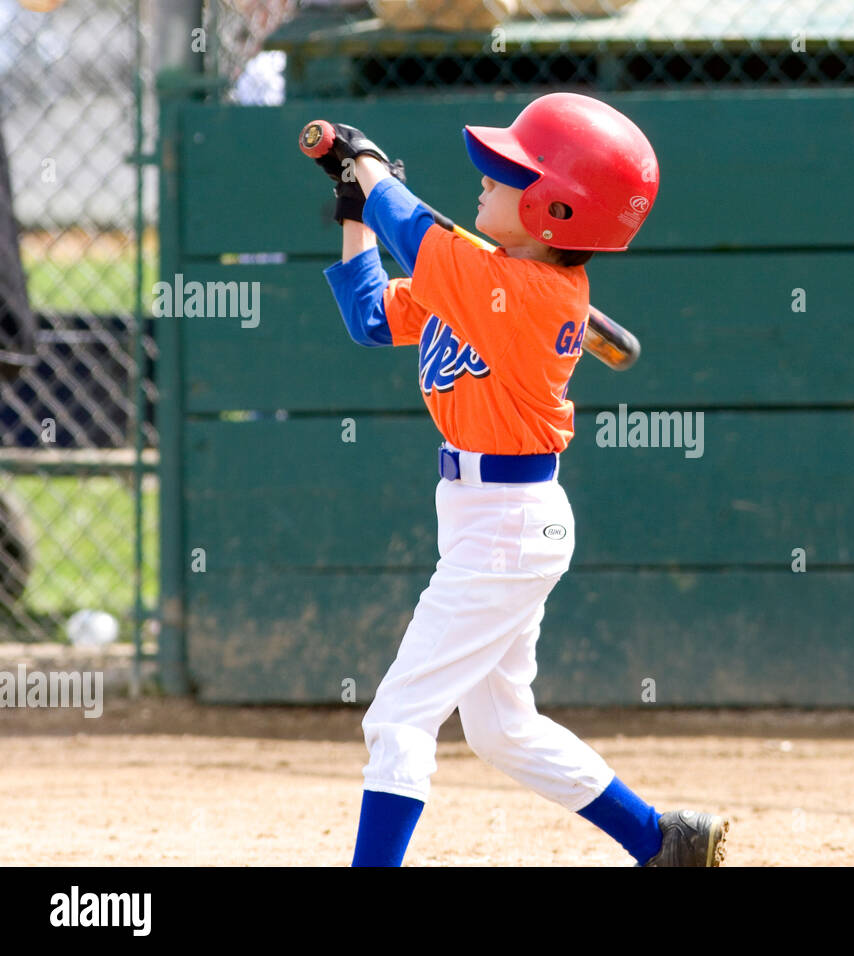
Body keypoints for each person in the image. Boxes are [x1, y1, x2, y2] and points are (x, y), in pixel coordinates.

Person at [313, 94, 728, 867]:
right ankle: (661, 840)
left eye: (507, 175)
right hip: (484, 516)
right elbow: (373, 316)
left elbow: (418, 230)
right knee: (500, 727)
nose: (484, 182)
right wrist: (356, 210)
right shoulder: (487, 276)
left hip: (507, 522)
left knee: (399, 717)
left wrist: (368, 170)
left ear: (556, 210)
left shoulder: (523, 292)